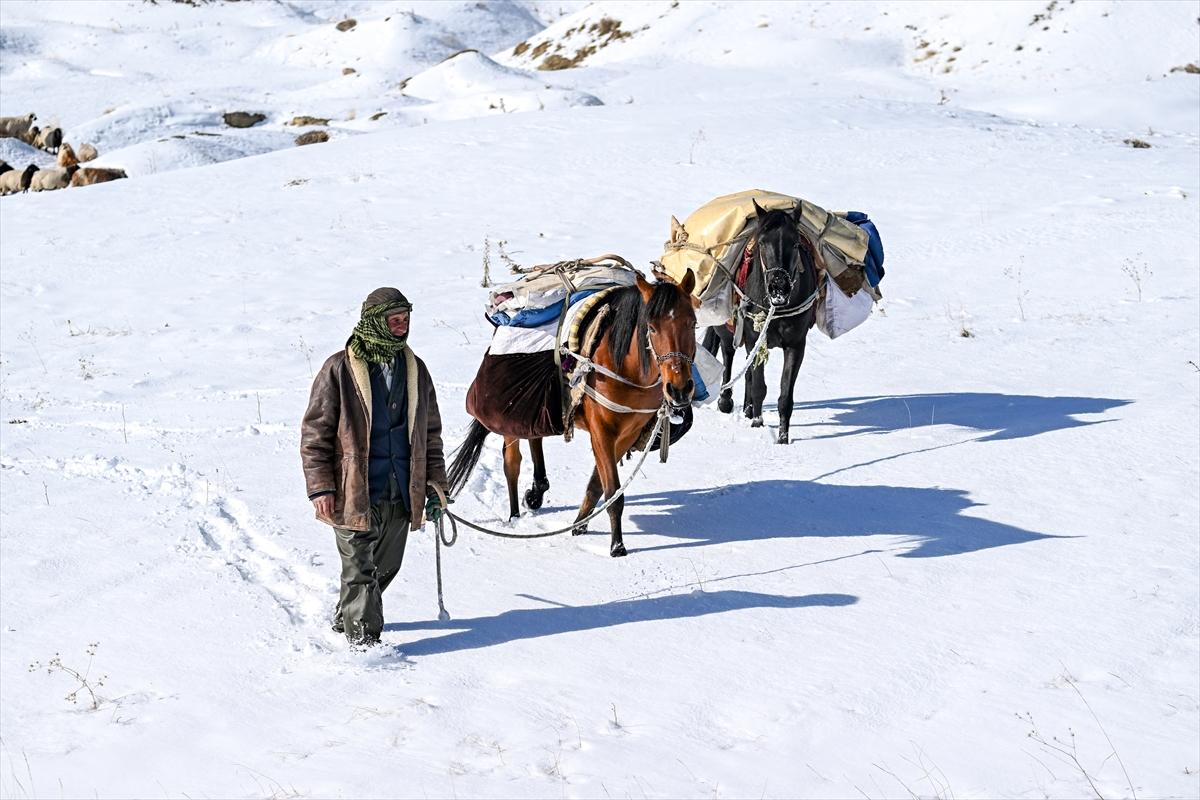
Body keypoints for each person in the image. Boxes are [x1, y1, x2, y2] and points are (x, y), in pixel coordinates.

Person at [301, 287, 448, 646]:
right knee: (359, 570)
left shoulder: (416, 370)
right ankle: (364, 646)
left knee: (386, 567)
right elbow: (315, 432)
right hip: (352, 490)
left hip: (400, 488)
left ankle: (347, 615)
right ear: (374, 322)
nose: (401, 327)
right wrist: (321, 488)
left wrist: (436, 485)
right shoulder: (339, 368)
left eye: (405, 320)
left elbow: (431, 434)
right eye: (394, 321)